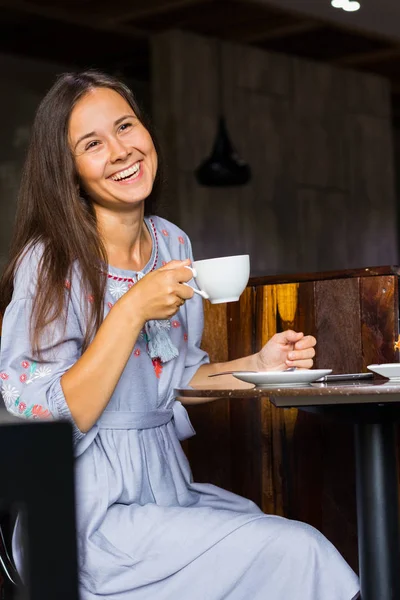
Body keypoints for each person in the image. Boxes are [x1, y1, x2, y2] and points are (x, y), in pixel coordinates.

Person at [0, 71, 359, 600]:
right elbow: (45, 418)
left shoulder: (170, 241)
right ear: (67, 169)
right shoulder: (52, 261)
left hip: (166, 487)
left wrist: (258, 365)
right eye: (93, 144)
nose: (122, 150)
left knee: (262, 538)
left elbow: (178, 375)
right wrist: (131, 311)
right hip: (83, 512)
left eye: (126, 126)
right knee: (293, 550)